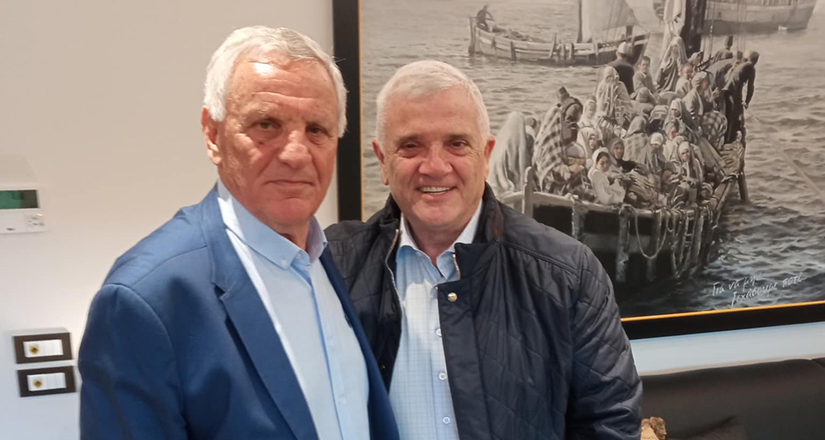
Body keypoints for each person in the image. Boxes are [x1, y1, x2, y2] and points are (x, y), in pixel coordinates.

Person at [77, 26, 398, 440]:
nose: (296, 153)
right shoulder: (145, 299)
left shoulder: (322, 258)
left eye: (317, 129)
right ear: (213, 135)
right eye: (266, 124)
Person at [325, 60, 642, 440]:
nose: (435, 166)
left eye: (457, 144)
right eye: (411, 146)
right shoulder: (333, 267)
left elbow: (609, 424)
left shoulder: (568, 273)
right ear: (382, 161)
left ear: (487, 154)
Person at [723, 50, 759, 143]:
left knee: (729, 115)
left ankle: (728, 138)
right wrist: (747, 102)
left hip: (727, 90)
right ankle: (729, 140)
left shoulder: (742, 65)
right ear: (755, 60)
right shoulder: (751, 68)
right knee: (734, 116)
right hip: (733, 91)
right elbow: (750, 87)